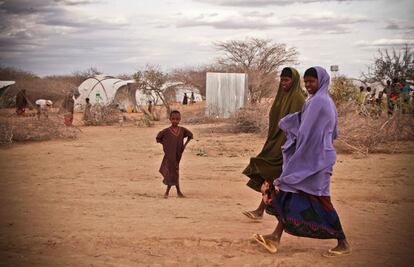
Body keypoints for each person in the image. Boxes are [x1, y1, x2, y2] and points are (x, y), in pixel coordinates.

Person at [253, 66, 351, 257]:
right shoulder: (320, 101)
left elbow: (306, 132)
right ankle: (275, 236)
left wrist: (297, 147)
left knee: (321, 199)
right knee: (291, 193)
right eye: (305, 82)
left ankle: (343, 241)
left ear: (321, 81)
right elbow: (330, 131)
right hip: (315, 156)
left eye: (311, 82)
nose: (308, 85)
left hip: (316, 160)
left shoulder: (319, 102)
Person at [242, 67, 306, 220]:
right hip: (275, 142)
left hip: (287, 145)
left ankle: (265, 212)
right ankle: (261, 211)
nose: (283, 83)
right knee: (272, 176)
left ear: (294, 80)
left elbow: (297, 126)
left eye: (287, 80)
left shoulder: (298, 98)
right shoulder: (282, 96)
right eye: (282, 80)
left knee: (274, 175)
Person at [156, 110, 193, 198]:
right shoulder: (166, 131)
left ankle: (176, 192)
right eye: (173, 119)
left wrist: (184, 145)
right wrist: (166, 145)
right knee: (173, 172)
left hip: (177, 155)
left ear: (179, 119)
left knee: (174, 172)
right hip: (169, 156)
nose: (175, 121)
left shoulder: (182, 130)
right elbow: (158, 138)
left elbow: (190, 136)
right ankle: (170, 192)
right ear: (170, 119)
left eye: (177, 119)